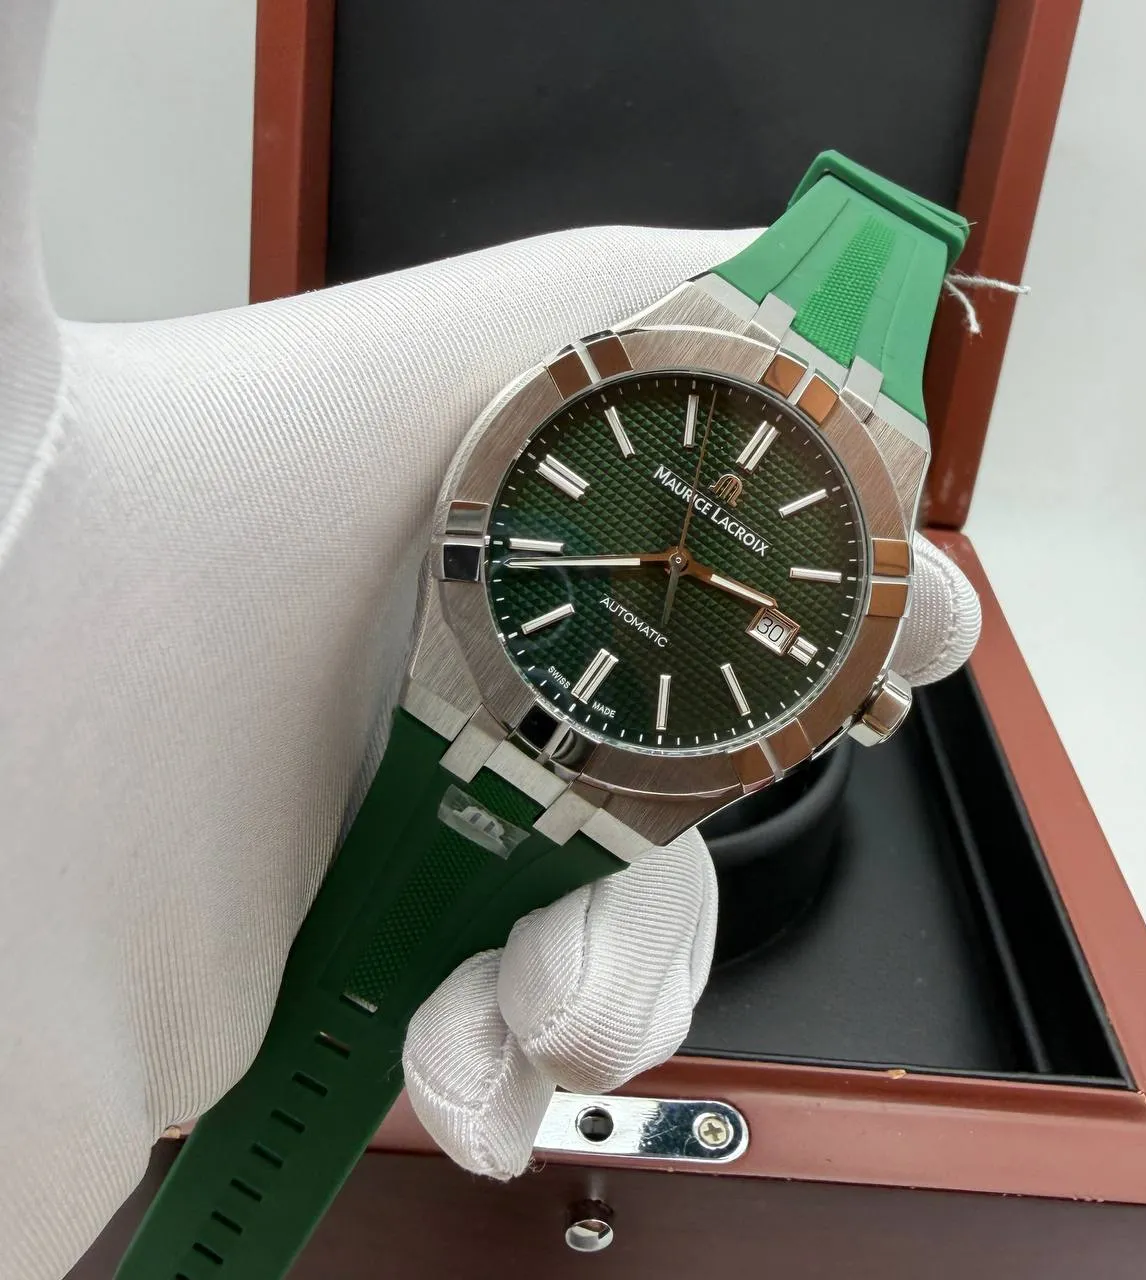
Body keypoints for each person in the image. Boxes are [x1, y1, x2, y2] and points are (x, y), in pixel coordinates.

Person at [0, 2, 980, 1274]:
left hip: (591, 741)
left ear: (849, 693)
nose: (677, 564)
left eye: (696, 573)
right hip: (457, 687)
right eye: (667, 550)